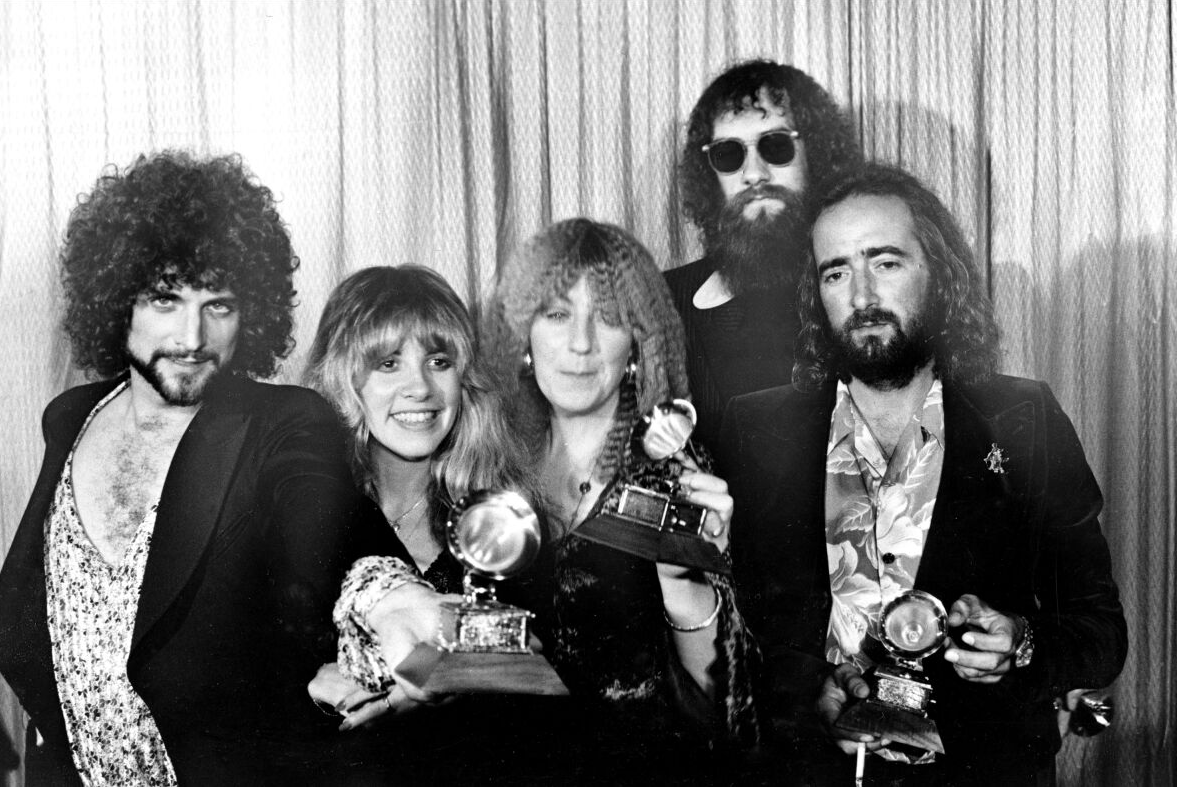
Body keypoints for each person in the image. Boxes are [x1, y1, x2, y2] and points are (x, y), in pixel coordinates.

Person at [719, 162, 1127, 785]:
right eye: (836, 271)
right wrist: (806, 690)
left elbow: (1101, 632)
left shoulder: (1025, 419)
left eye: (885, 262)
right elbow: (722, 631)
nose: (860, 296)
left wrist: (1019, 642)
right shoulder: (754, 432)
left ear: (938, 273)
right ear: (815, 291)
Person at [0, 151, 379, 785]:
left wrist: (389, 600)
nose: (193, 336)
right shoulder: (70, 419)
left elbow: (335, 529)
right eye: (166, 300)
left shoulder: (281, 424)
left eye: (218, 305)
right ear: (116, 303)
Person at [326, 219, 756, 785]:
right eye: (557, 315)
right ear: (524, 335)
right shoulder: (487, 460)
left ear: (637, 341)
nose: (581, 344)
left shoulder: (675, 470)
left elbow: (736, 715)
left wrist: (685, 584)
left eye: (607, 316)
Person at [302, 265, 557, 784]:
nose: (419, 387)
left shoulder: (502, 518)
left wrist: (426, 688)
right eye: (388, 363)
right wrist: (311, 695)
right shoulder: (304, 515)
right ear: (342, 379)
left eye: (438, 362)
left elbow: (537, 672)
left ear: (465, 380)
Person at [668, 59, 861, 452]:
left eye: (776, 146)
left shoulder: (860, 291)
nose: (754, 173)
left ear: (817, 153)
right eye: (728, 154)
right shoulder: (664, 298)